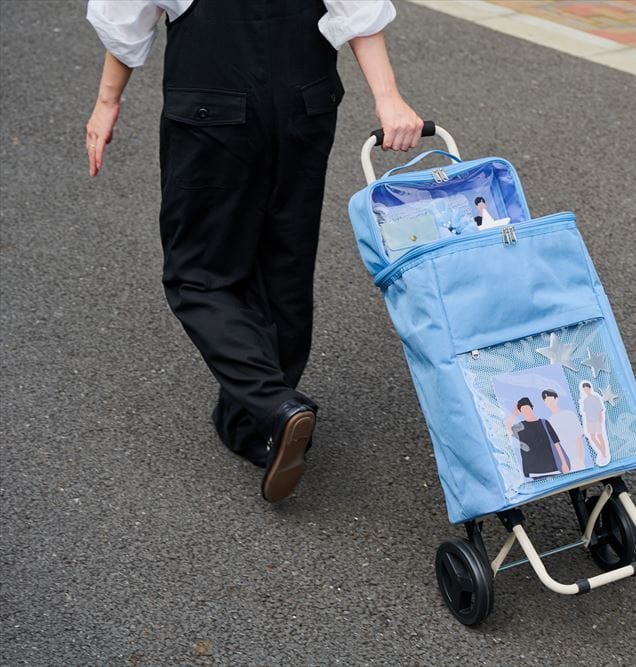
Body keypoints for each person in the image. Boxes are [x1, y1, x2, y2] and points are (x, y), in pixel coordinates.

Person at [84, 0, 424, 502]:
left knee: (197, 276)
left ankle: (275, 406)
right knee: (284, 260)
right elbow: (357, 8)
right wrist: (388, 98)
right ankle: (253, 428)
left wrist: (107, 102)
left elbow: (124, 19)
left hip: (212, 107)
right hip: (305, 100)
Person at [505, 397, 570, 478]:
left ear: (532, 408)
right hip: (533, 471)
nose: (526, 412)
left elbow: (556, 443)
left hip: (553, 468)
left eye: (527, 409)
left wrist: (564, 463)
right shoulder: (520, 426)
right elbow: (507, 427)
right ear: (520, 412)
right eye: (523, 411)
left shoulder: (544, 423)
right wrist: (514, 414)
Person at [541, 389, 587, 471]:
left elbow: (578, 437)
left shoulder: (569, 414)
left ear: (556, 399)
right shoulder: (549, 422)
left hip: (576, 459)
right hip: (564, 463)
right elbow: (555, 445)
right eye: (546, 401)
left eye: (550, 400)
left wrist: (579, 458)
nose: (549, 403)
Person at [579, 382, 610, 466]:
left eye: (587, 389)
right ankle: (602, 452)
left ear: (590, 389)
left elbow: (600, 409)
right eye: (584, 390)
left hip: (597, 420)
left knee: (600, 436)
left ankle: (604, 453)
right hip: (589, 421)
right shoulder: (585, 400)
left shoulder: (595, 398)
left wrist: (600, 419)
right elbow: (585, 412)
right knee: (592, 437)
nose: (586, 391)